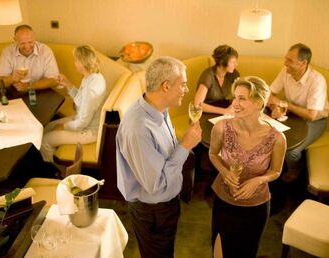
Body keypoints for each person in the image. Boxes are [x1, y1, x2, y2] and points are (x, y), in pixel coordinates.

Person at [116, 56, 202, 258]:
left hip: (166, 204)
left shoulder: (159, 109)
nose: (186, 90)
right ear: (166, 86)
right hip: (153, 211)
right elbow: (157, 184)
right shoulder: (138, 128)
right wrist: (185, 145)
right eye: (183, 84)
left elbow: (164, 157)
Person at [209, 76, 286, 258]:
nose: (235, 103)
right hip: (224, 201)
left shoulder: (277, 138)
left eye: (242, 98)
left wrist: (259, 180)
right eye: (235, 97)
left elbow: (276, 171)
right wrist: (224, 171)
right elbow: (213, 154)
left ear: (259, 103)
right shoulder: (221, 127)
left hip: (256, 207)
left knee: (246, 253)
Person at [269, 43, 328, 182]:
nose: (285, 63)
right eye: (286, 59)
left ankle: (295, 169)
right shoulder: (285, 71)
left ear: (303, 63)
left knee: (292, 152)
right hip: (293, 115)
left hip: (314, 122)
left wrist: (285, 104)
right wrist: (274, 107)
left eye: (289, 60)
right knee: (268, 135)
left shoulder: (317, 81)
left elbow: (312, 115)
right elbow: (270, 93)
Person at [40, 45, 106, 163]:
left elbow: (82, 123)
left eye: (75, 60)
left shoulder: (90, 90)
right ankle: (53, 154)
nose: (74, 63)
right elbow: (81, 101)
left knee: (44, 140)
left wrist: (63, 127)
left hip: (88, 132)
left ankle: (56, 171)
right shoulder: (93, 76)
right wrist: (67, 83)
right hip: (82, 121)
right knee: (46, 128)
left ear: (81, 63)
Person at [0, 24, 59, 92]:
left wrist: (29, 86)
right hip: (15, 93)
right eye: (22, 43)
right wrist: (11, 78)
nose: (27, 47)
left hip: (40, 91)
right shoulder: (7, 52)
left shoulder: (45, 51)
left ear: (34, 38)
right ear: (15, 40)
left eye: (30, 42)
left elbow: (54, 80)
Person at [194, 44, 239, 114]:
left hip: (223, 106)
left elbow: (241, 93)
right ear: (222, 62)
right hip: (206, 111)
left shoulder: (233, 74)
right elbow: (197, 104)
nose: (236, 64)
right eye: (233, 62)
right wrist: (224, 111)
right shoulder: (208, 76)